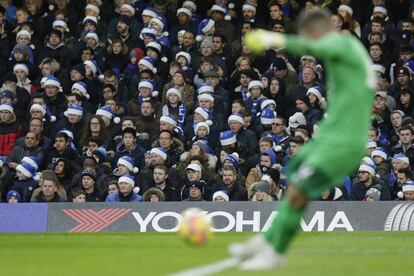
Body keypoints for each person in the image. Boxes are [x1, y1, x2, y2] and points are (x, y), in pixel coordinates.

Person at [229, 9, 377, 270]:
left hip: (343, 142)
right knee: (294, 182)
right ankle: (267, 241)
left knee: (298, 190)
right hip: (330, 137)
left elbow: (320, 44)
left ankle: (274, 250)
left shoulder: (344, 44)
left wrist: (272, 38)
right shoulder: (346, 60)